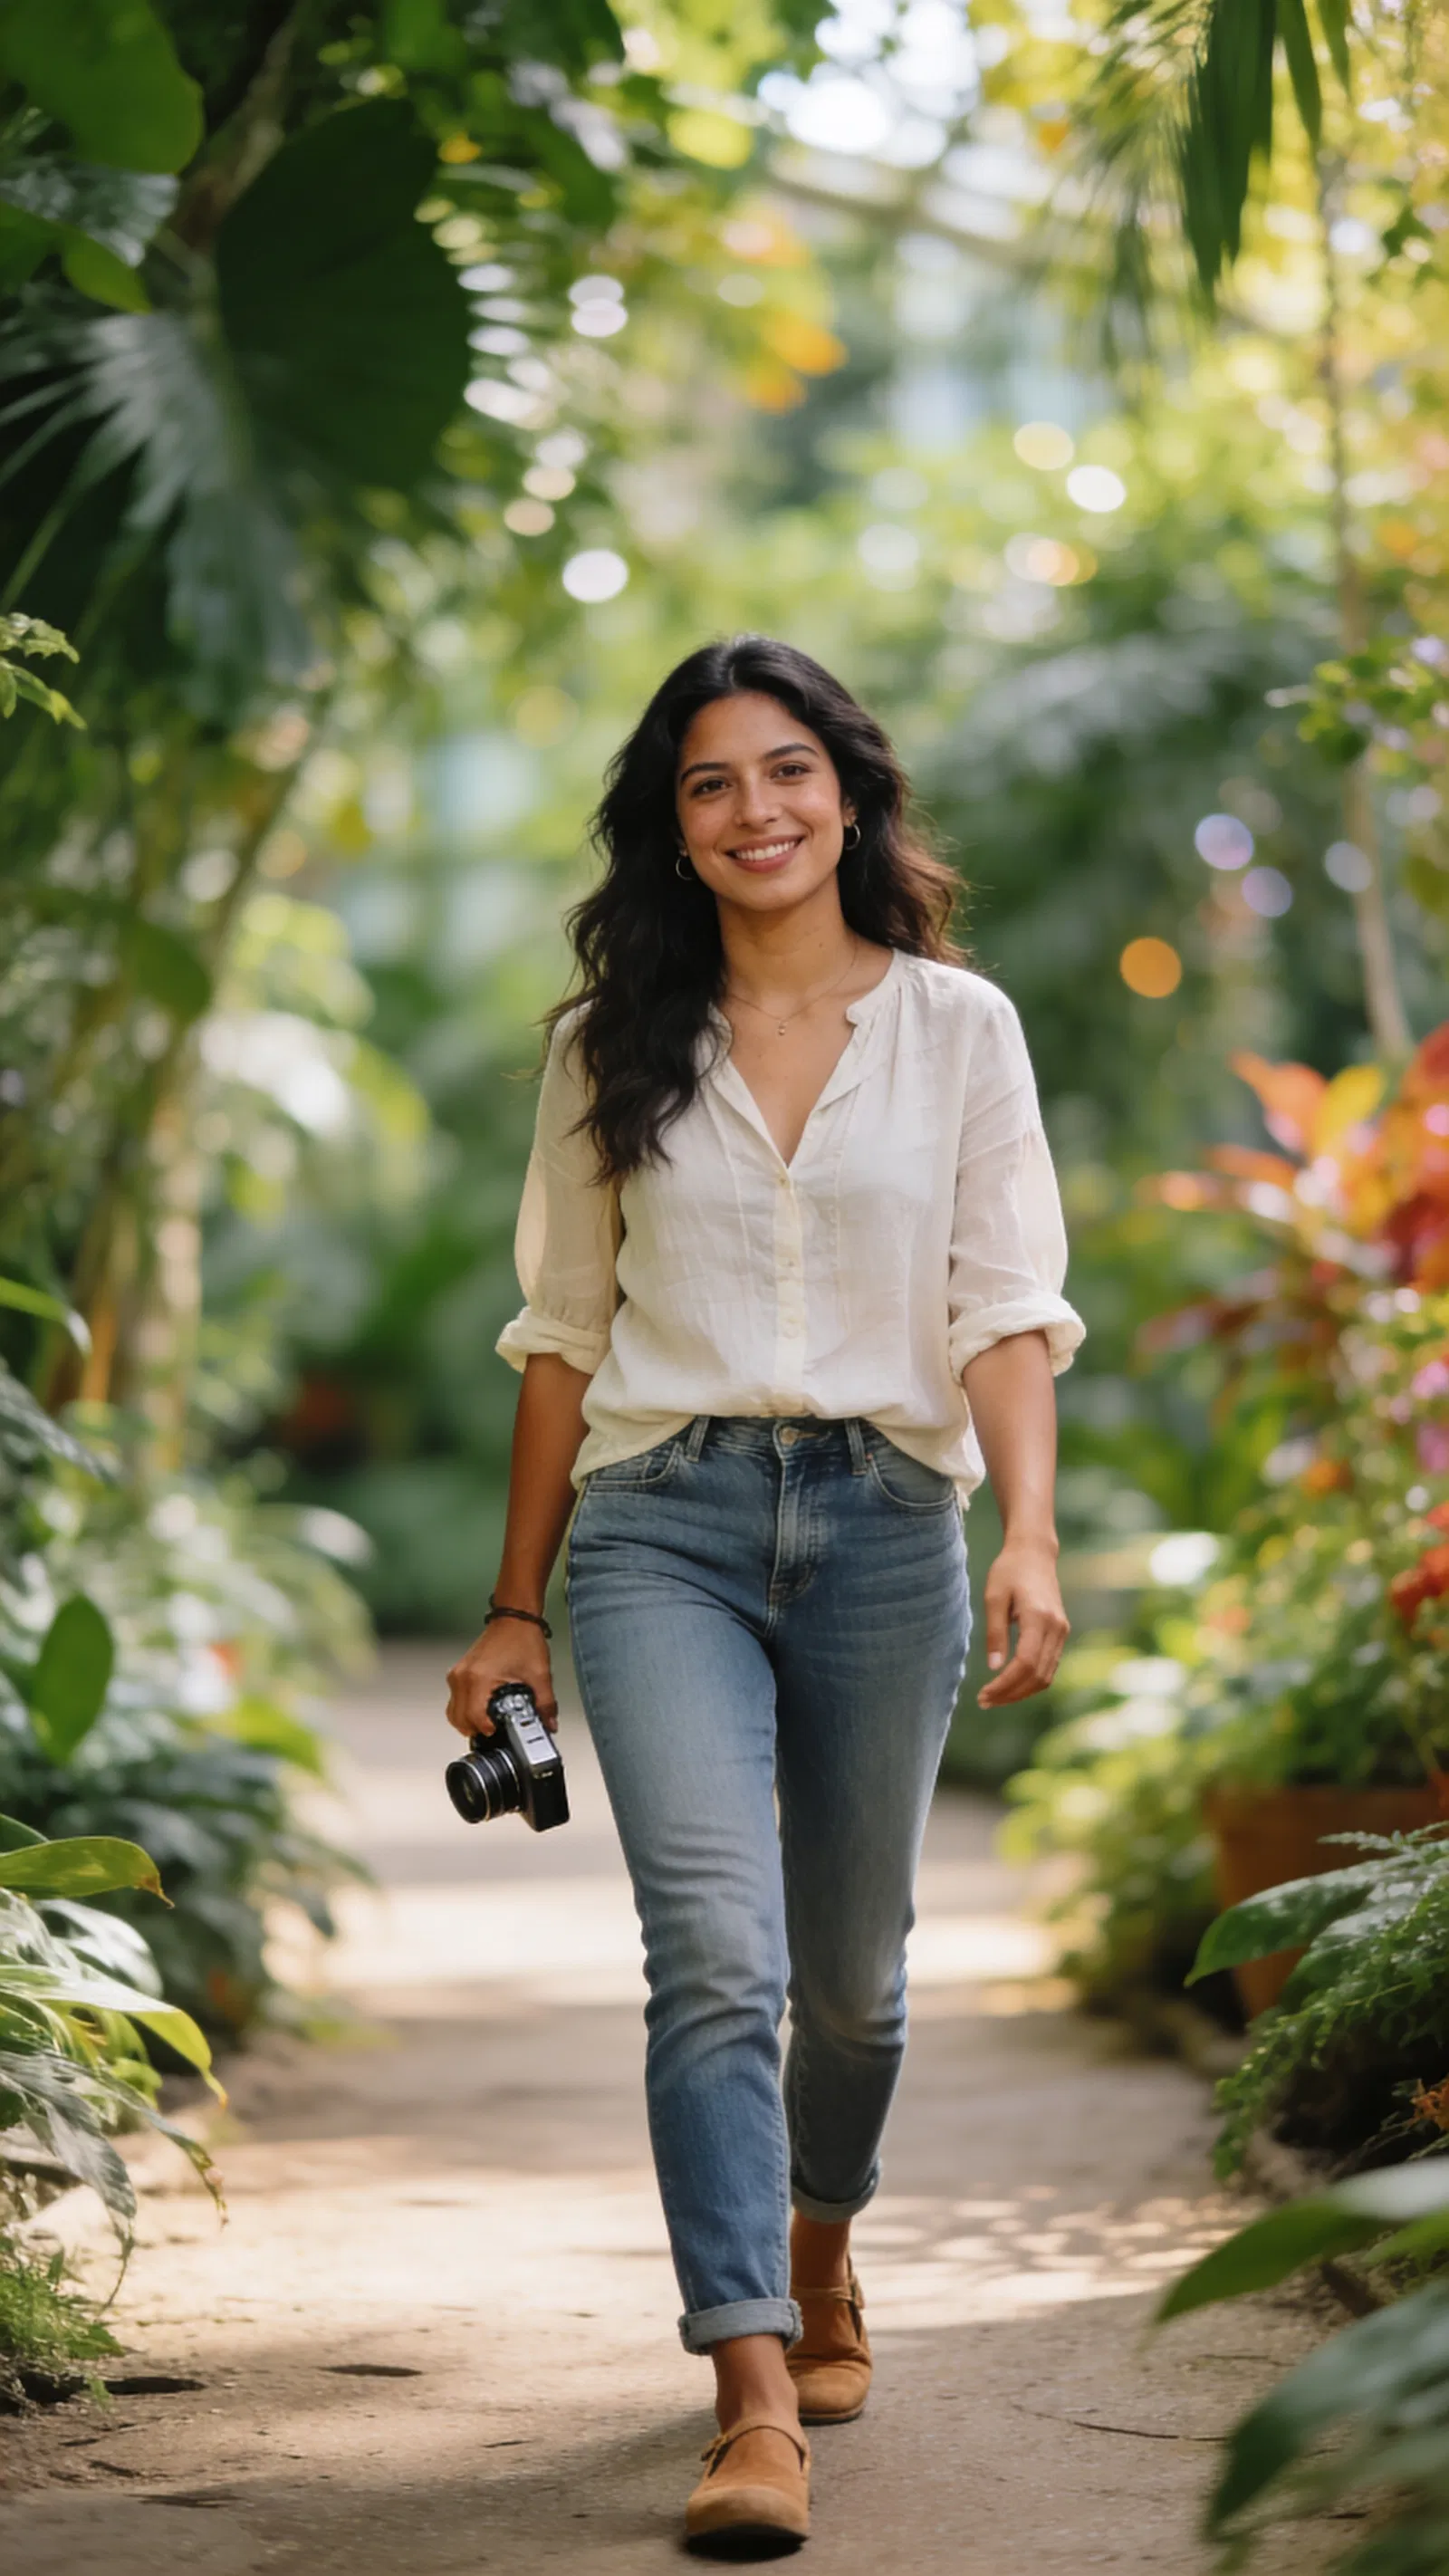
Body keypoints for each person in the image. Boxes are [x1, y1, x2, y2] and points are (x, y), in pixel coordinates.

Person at [445, 635, 1084, 2554]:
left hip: (890, 1521)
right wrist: (512, 1609)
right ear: (671, 823)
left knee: (857, 1987)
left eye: (787, 770)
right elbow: (561, 1342)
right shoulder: (602, 1050)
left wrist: (1029, 1532)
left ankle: (822, 2262)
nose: (755, 811)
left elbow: (1000, 1306)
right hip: (664, 1524)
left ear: (849, 792)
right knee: (714, 1959)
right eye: (711, 783)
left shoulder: (959, 1029)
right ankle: (746, 2398)